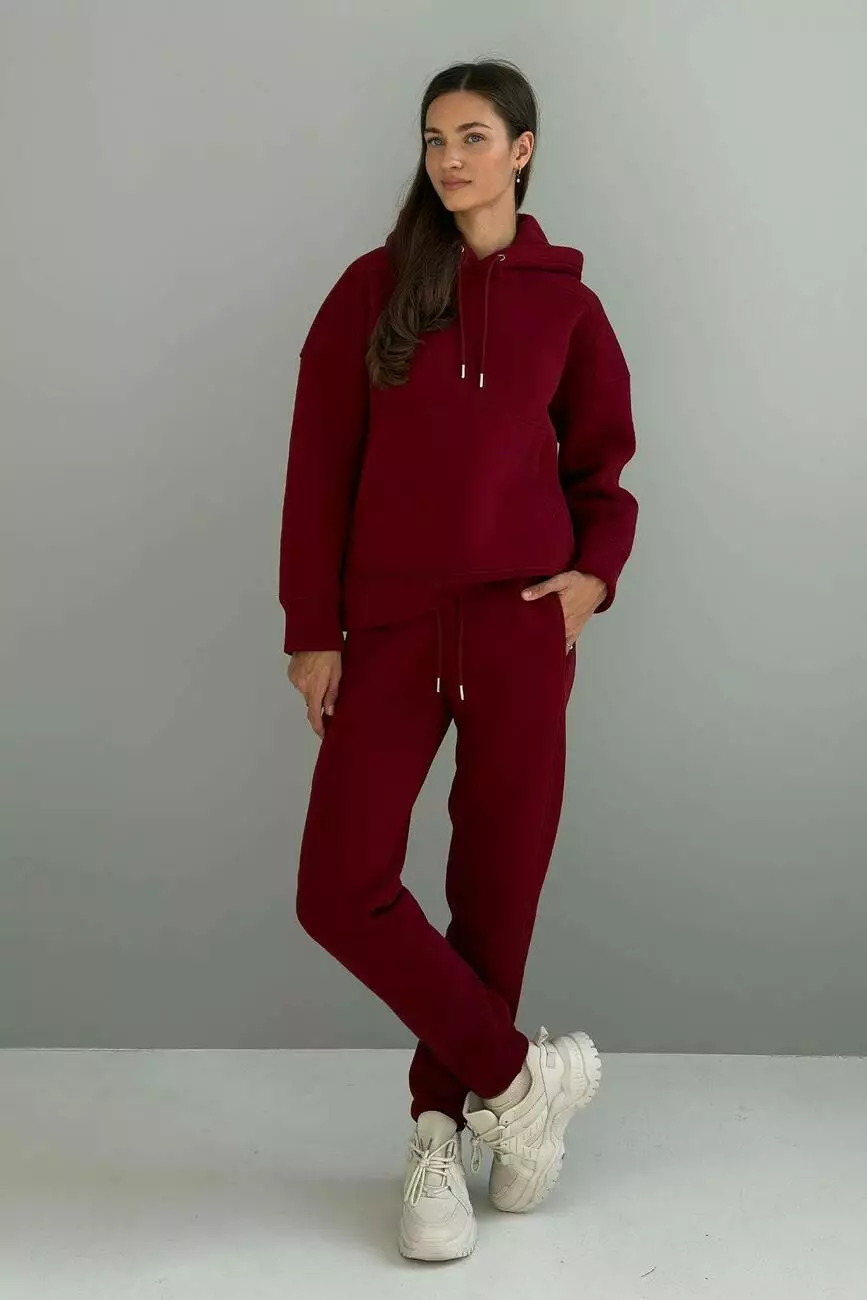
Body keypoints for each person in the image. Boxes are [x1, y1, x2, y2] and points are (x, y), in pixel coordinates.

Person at [278, 58, 638, 1262]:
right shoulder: (374, 291)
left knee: (496, 891)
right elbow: (319, 463)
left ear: (522, 150)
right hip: (389, 629)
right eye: (435, 138)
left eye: (474, 136)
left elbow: (601, 468)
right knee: (340, 886)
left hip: (516, 632)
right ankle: (522, 1083)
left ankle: (440, 1131)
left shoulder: (566, 308)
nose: (449, 159)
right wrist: (312, 627)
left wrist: (593, 575)